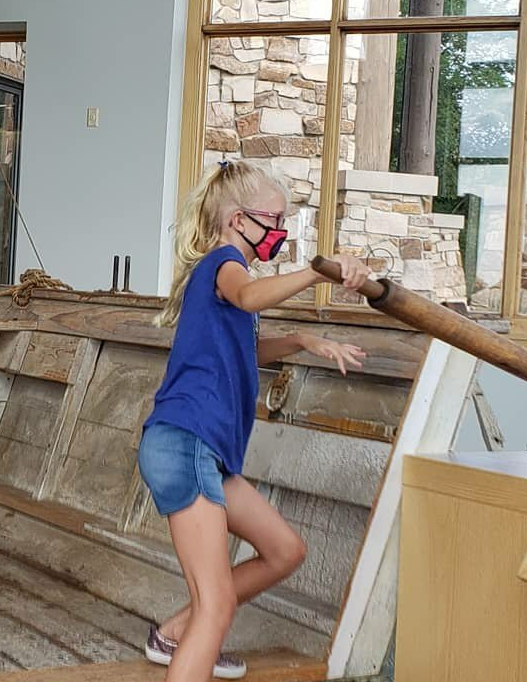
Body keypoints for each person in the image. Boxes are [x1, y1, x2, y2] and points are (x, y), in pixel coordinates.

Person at [139, 159, 370, 681]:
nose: (280, 233)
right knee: (217, 606)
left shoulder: (230, 277)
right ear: (238, 220)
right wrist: (321, 269)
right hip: (186, 443)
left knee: (285, 550)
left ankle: (175, 634)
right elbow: (246, 294)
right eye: (273, 220)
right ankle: (194, 638)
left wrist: (304, 340)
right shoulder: (225, 264)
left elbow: (240, 349)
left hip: (206, 451)